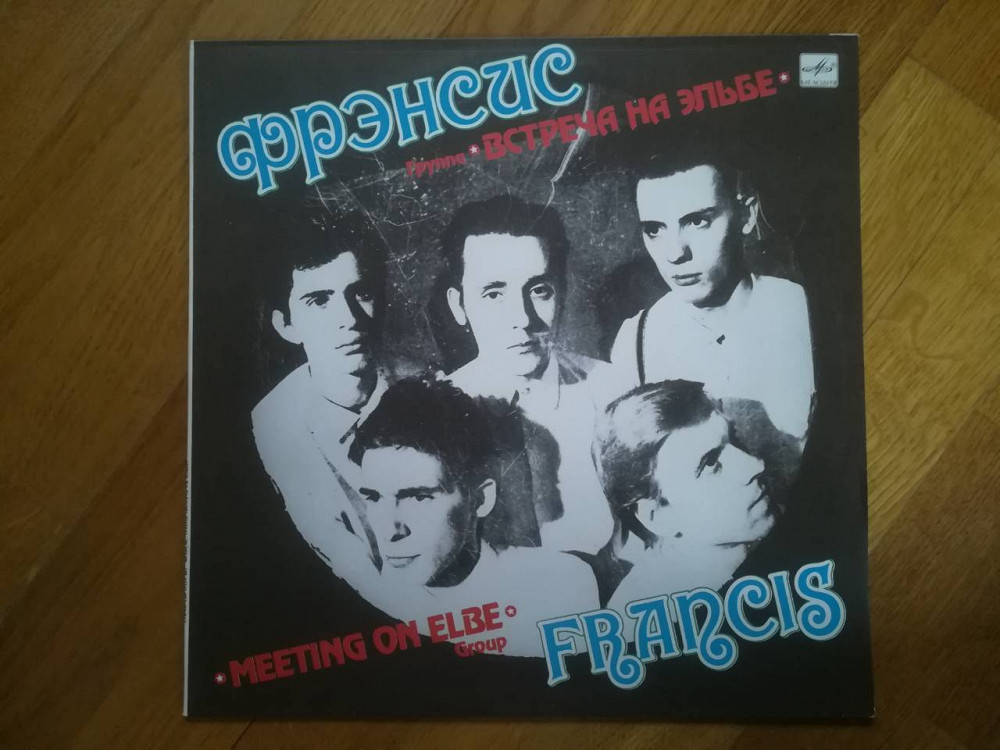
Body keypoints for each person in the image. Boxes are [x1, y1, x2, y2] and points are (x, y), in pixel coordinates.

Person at [351, 378, 599, 656]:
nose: (389, 530)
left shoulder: (558, 583)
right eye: (373, 497)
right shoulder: (365, 608)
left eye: (419, 497)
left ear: (480, 499)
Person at [610, 144, 815, 458]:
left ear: (746, 215)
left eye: (697, 221)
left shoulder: (804, 311)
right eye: (654, 230)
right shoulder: (636, 339)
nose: (675, 253)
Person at [439, 195, 615, 554]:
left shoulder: (612, 390)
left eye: (539, 291)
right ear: (459, 305)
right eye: (493, 294)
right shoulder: (434, 414)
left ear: (562, 292)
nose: (521, 318)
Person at [251, 209, 388, 592]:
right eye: (318, 300)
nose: (349, 318)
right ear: (286, 325)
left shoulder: (432, 387)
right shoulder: (271, 430)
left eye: (361, 294)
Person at [592, 380, 775, 615]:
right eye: (710, 462)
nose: (756, 465)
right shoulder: (651, 620)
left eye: (735, 439)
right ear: (658, 516)